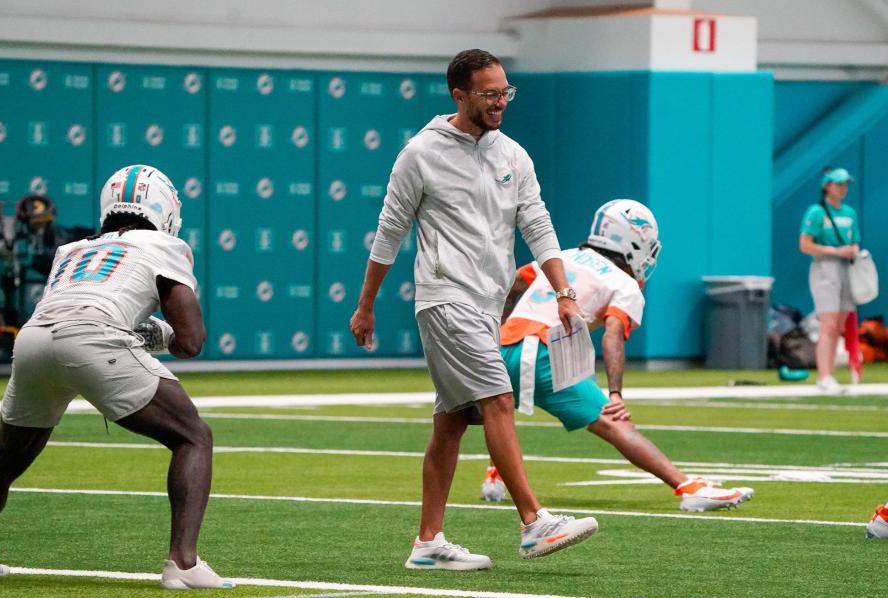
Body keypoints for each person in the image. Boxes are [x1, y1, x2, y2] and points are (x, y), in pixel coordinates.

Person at [350, 49, 599, 571]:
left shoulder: (515, 155)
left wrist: (564, 293)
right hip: (444, 300)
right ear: (458, 96)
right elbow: (389, 233)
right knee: (497, 400)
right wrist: (366, 306)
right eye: (489, 94)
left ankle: (427, 543)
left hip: (488, 308)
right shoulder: (419, 154)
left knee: (451, 423)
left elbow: (538, 226)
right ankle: (534, 522)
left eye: (505, 91)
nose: (501, 102)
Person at [0, 164, 232, 589]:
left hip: (33, 339)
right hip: (92, 335)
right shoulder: (164, 245)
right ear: (163, 207)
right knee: (193, 436)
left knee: (4, 463)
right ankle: (184, 563)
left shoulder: (73, 250)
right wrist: (162, 333)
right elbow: (191, 341)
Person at [481, 199, 754, 511]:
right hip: (545, 352)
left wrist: (500, 326)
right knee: (614, 423)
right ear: (632, 240)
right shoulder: (622, 282)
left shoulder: (565, 256)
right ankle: (689, 488)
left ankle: (495, 475)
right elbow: (612, 334)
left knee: (484, 414)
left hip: (504, 345)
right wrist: (615, 393)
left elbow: (512, 282)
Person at [798, 167, 860, 395]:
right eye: (838, 183)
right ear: (827, 185)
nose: (843, 188)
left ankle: (829, 374)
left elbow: (855, 241)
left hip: (847, 269)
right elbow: (805, 245)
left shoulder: (850, 213)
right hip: (825, 268)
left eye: (845, 184)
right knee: (829, 324)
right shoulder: (816, 212)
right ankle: (824, 376)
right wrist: (835, 251)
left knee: (840, 326)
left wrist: (853, 250)